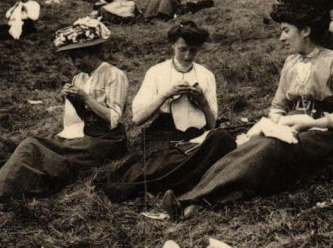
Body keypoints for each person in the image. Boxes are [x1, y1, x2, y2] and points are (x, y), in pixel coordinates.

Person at [161, 0, 333, 220]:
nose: (281, 38)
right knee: (248, 142)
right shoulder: (291, 63)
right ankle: (199, 199)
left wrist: (307, 122)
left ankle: (191, 200)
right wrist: (276, 121)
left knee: (270, 147)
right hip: (291, 126)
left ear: (305, 30)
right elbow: (278, 105)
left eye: (286, 30)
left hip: (324, 136)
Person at [0, 20, 128, 211]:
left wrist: (85, 98)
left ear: (95, 52)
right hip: (86, 134)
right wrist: (74, 100)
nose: (76, 62)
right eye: (72, 58)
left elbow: (114, 119)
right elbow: (83, 117)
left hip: (107, 141)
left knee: (33, 148)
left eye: (80, 56)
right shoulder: (79, 78)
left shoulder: (114, 74)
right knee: (29, 150)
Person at [96, 21, 236, 203]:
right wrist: (165, 94)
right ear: (173, 45)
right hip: (164, 134)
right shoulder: (156, 72)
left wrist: (202, 101)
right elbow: (138, 118)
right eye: (182, 49)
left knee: (221, 140)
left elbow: (211, 124)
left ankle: (164, 187)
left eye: (193, 50)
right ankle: (184, 187)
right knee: (172, 161)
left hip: (196, 135)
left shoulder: (206, 75)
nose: (187, 56)